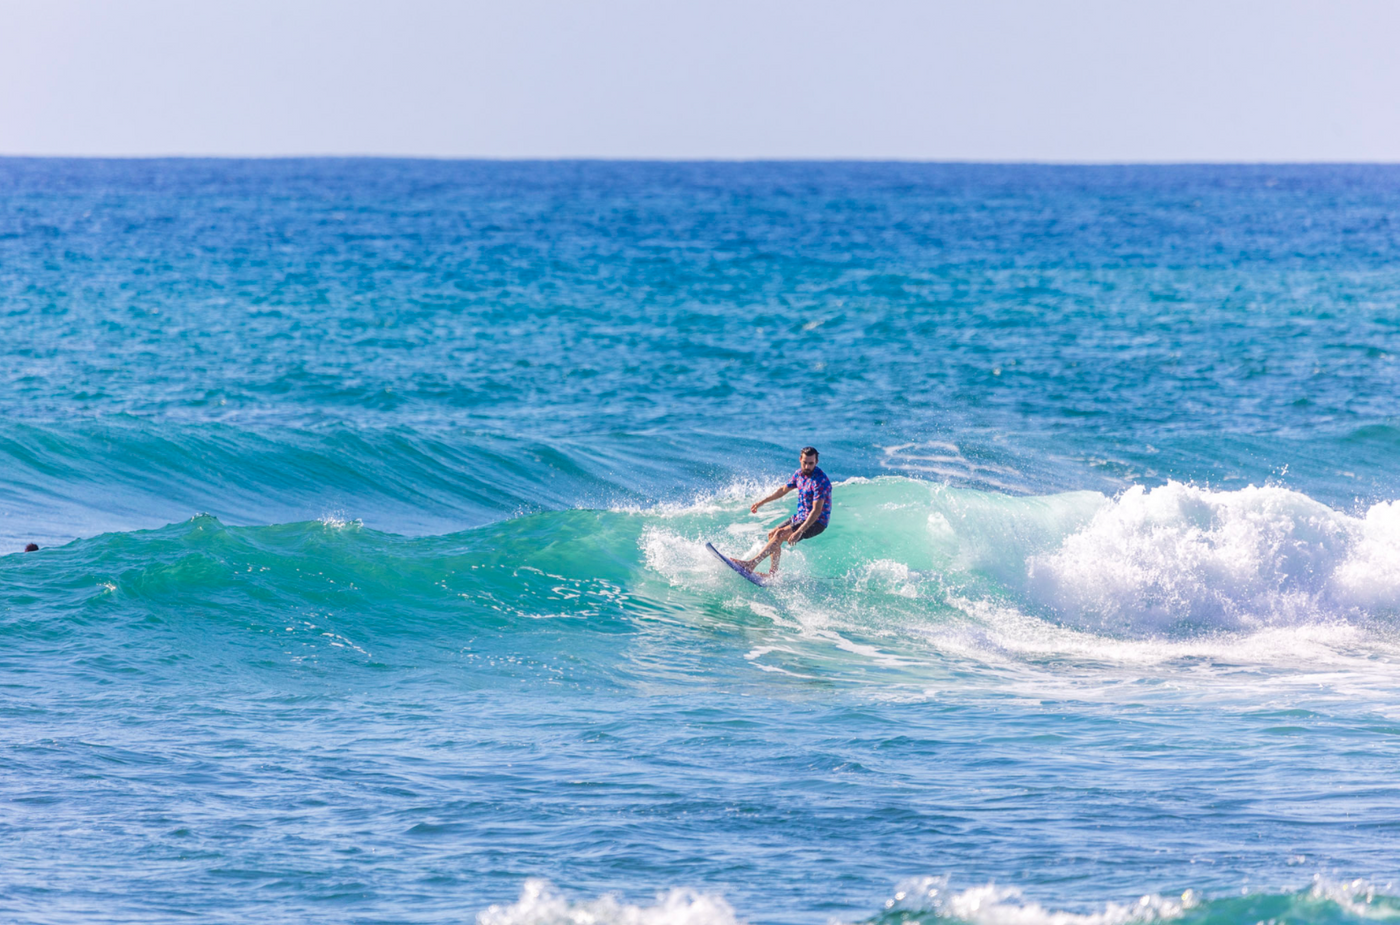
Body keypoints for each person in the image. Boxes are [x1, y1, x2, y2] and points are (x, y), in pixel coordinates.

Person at [738, 446, 832, 576]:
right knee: (773, 535)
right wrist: (761, 502)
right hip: (801, 516)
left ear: (816, 462)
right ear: (800, 460)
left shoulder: (820, 481)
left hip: (816, 521)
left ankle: (751, 564)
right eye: (805, 462)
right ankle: (773, 574)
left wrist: (800, 531)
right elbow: (783, 490)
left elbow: (816, 511)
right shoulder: (799, 474)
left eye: (811, 463)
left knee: (780, 534)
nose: (807, 466)